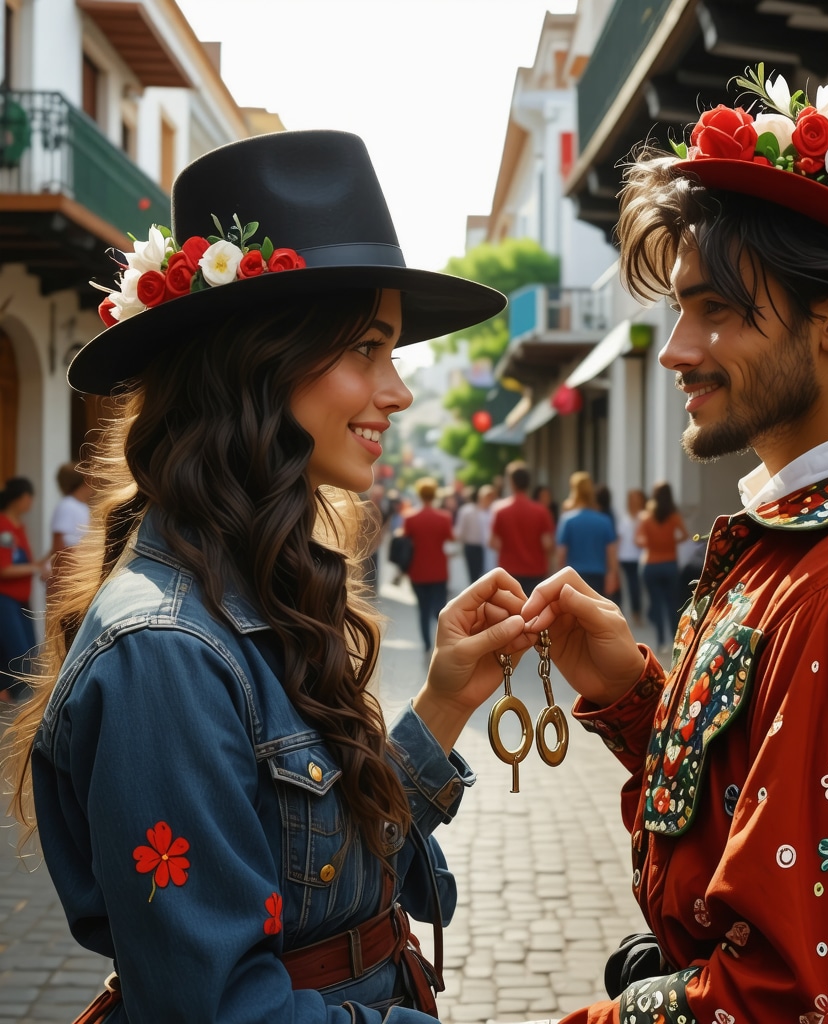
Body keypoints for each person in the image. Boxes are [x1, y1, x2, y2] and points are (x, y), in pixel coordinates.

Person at [519, 69, 828, 1023]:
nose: (677, 350)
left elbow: (815, 997)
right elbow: (773, 809)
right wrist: (634, 699)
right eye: (679, 311)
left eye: (714, 309)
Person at [1, 130, 539, 1024]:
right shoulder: (163, 655)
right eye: (367, 348)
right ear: (259, 362)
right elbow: (220, 1010)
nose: (399, 390)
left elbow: (328, 867)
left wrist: (445, 700)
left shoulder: (263, 584)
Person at [0, 477, 46, 703]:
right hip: (5, 599)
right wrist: (35, 567)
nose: (31, 502)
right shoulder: (6, 528)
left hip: (20, 601)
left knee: (26, 652)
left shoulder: (17, 527)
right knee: (20, 656)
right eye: (29, 497)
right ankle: (19, 704)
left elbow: (26, 564)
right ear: (20, 498)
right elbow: (5, 568)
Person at [400, 477, 455, 652]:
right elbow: (451, 538)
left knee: (423, 608)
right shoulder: (444, 518)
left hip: (417, 570)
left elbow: (404, 539)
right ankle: (443, 641)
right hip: (439, 569)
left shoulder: (410, 518)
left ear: (419, 494)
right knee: (440, 608)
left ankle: (426, 643)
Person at [635, 481, 687, 654]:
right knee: (672, 604)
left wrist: (651, 543)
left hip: (651, 564)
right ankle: (675, 640)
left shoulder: (646, 517)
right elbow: (685, 535)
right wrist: (671, 542)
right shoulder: (674, 516)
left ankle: (660, 642)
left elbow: (638, 540)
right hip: (670, 563)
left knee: (656, 604)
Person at [489, 461, 555, 595]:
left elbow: (493, 542)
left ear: (511, 482)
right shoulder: (541, 511)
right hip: (536, 570)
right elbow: (548, 544)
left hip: (508, 572)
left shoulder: (501, 511)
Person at [555, 471, 619, 598]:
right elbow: (611, 553)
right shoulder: (604, 521)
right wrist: (613, 575)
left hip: (573, 576)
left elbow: (561, 554)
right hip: (598, 576)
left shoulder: (567, 520)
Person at [47, 462, 92, 599]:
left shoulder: (81, 507)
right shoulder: (67, 506)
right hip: (69, 575)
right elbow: (58, 545)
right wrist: (59, 578)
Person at [616, 488, 646, 628]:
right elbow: (619, 539)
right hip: (626, 557)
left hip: (640, 557)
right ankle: (634, 613)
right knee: (632, 586)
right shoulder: (625, 518)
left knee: (637, 586)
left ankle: (638, 612)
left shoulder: (644, 517)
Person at [453, 484, 496, 584]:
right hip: (476, 547)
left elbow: (460, 532)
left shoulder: (491, 510)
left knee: (478, 577)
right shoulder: (471, 511)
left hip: (482, 548)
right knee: (478, 577)